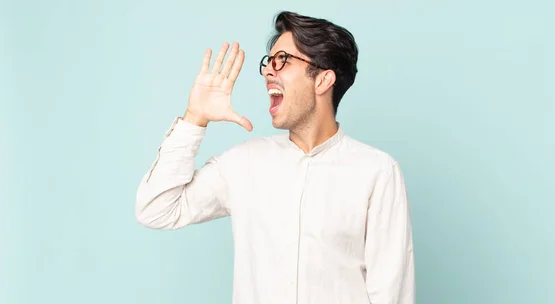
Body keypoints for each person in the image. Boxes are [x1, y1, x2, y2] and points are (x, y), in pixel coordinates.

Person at [135, 11, 415, 304]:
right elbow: (156, 209)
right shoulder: (243, 163)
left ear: (323, 80)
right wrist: (194, 119)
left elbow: (391, 293)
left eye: (282, 60)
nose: (269, 71)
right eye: (268, 62)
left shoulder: (377, 172)